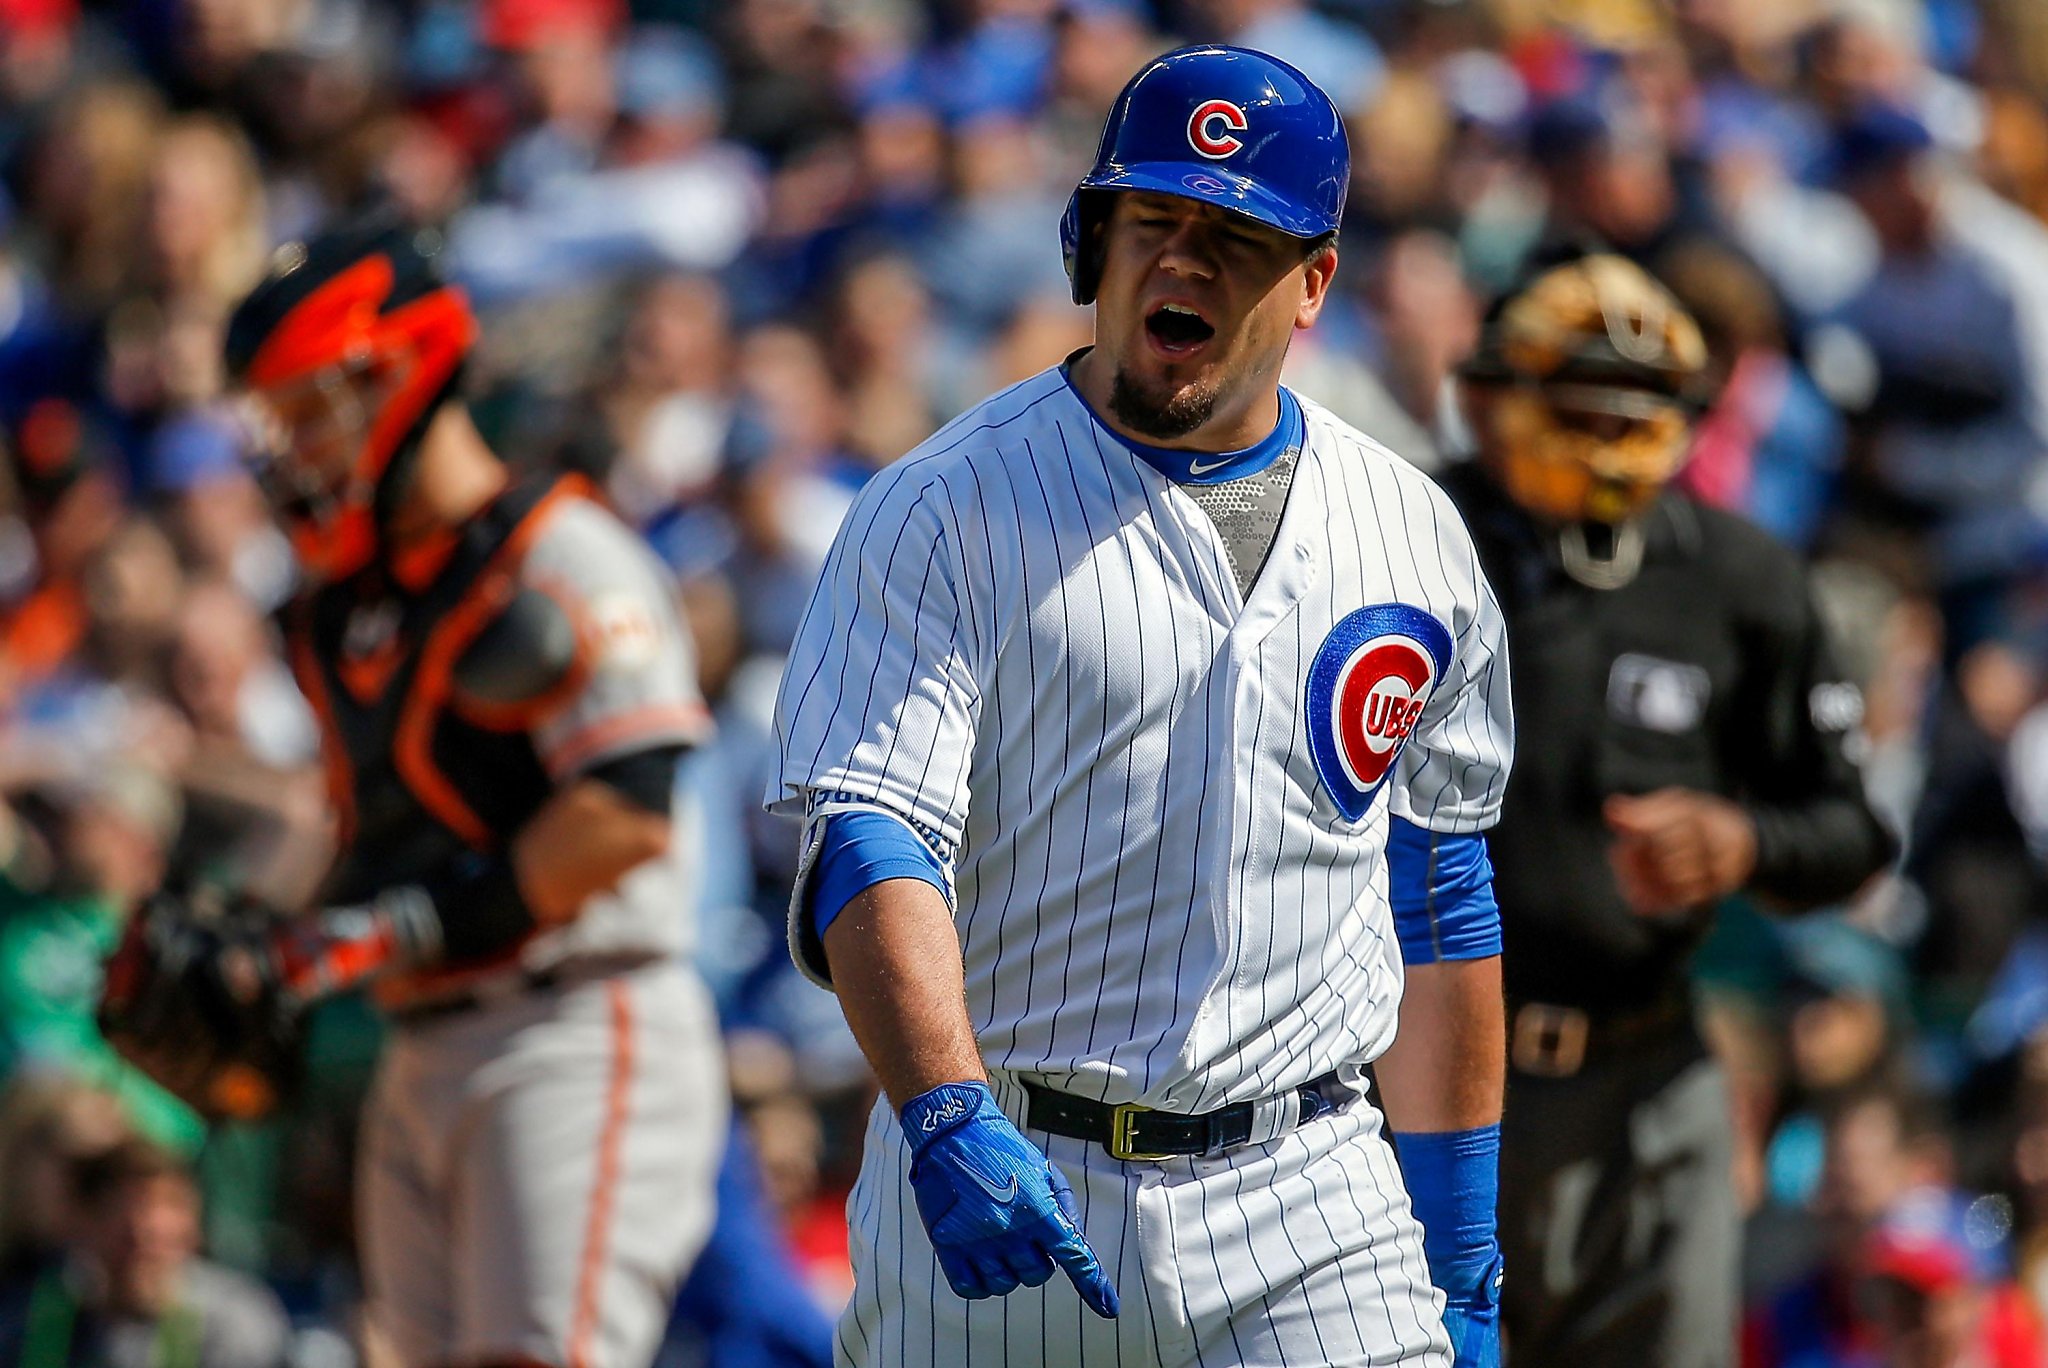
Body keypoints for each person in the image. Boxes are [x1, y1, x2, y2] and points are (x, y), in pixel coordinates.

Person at [768, 45, 1514, 1368]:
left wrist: (1458, 1246)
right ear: (1090, 247)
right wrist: (942, 1110)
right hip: (1012, 1160)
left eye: (1237, 237)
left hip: (1311, 1190)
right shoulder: (942, 507)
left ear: (1314, 286)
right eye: (1152, 222)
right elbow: (873, 841)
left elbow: (1439, 896)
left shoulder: (1411, 531)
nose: (1185, 262)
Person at [108, 215, 727, 1368]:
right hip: (422, 1037)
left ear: (401, 373)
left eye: (310, 409)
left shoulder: (560, 553)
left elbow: (628, 811)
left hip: (573, 1020)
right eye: (275, 418)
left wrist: (403, 926)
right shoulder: (338, 606)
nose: (290, 449)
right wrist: (273, 939)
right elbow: (377, 824)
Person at [1440, 250, 1895, 1368]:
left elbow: (1851, 834)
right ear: (1489, 394)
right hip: (1421, 1081)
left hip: (1646, 1080)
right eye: (1574, 400)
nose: (1605, 435)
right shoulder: (1403, 539)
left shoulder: (1734, 576)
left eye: (1633, 405)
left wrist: (1741, 841)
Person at [0, 1135, 290, 1368]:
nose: (145, 1233)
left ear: (193, 1223)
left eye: (166, 1208)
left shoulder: (235, 1325)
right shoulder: (37, 1325)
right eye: (125, 1221)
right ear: (85, 1225)